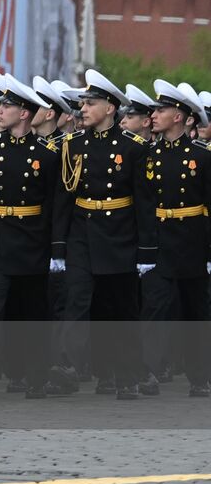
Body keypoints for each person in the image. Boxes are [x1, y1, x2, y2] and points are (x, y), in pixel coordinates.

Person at [0, 74, 66, 398]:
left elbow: (53, 204)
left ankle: (31, 374)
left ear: (24, 113)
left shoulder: (47, 154)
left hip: (31, 240)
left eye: (7, 106)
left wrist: (55, 248)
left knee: (28, 310)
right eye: (0, 105)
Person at [61, 70, 155, 400]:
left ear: (110, 108)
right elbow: (65, 198)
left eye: (90, 103)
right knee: (83, 300)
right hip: (83, 232)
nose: (83, 109)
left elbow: (144, 203)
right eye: (82, 104)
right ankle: (100, 372)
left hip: (119, 236)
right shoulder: (73, 145)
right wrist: (61, 245)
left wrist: (146, 250)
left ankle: (127, 374)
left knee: (119, 308)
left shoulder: (133, 148)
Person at [137, 80, 211, 397]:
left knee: (196, 311)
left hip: (193, 240)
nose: (155, 115)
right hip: (161, 240)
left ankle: (199, 377)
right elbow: (143, 203)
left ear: (179, 116)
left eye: (162, 110)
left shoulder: (203, 156)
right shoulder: (149, 154)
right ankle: (149, 371)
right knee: (155, 308)